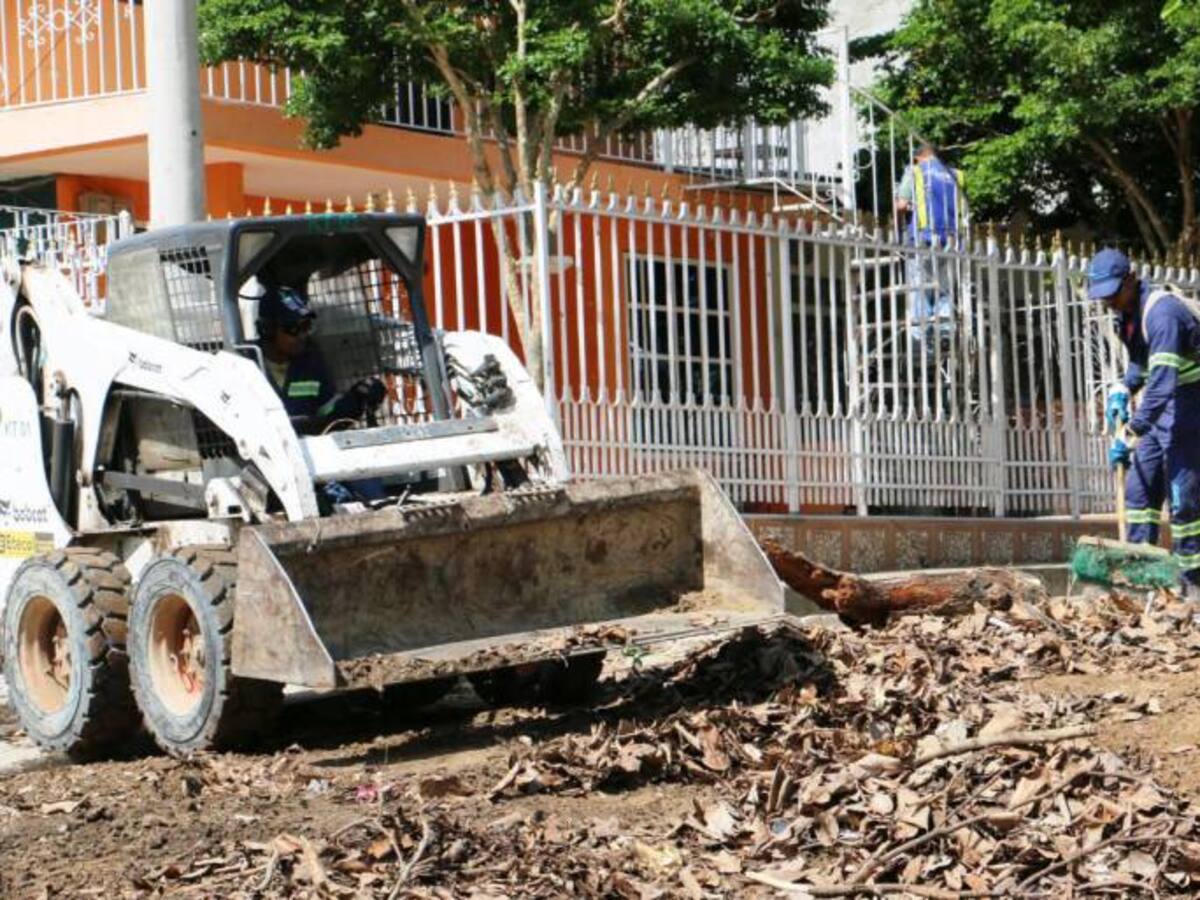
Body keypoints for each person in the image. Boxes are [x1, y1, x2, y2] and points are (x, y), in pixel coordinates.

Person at [1092, 248, 1200, 594]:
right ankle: (1140, 582)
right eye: (1103, 296)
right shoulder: (1127, 316)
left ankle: (1191, 586)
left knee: (1184, 500)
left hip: (1191, 403)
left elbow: (1164, 381)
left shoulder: (1163, 314)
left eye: (1113, 293)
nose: (1109, 302)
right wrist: (1123, 387)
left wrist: (1132, 431)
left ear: (1131, 279)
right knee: (1139, 491)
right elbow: (1142, 364)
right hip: (1164, 404)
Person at [255, 282, 386, 435]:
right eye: (293, 328)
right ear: (268, 330)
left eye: (306, 326)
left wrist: (357, 398)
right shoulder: (244, 367)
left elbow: (330, 415)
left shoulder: (311, 364)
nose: (302, 335)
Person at [896, 142, 967, 350]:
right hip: (951, 240)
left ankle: (921, 340)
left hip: (923, 238)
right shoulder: (956, 175)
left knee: (920, 289)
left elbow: (901, 205)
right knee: (944, 290)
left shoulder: (916, 171)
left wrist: (898, 224)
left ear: (918, 157)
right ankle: (944, 331)